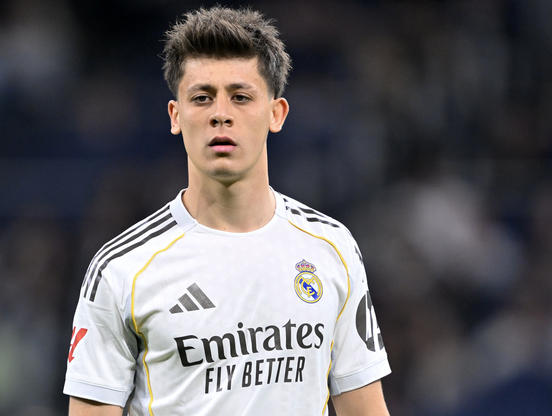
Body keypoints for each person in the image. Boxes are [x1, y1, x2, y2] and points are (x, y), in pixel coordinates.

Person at [64, 6, 391, 416]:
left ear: (276, 113)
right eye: (202, 98)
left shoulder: (332, 247)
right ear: (176, 116)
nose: (221, 114)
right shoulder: (121, 270)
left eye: (240, 97)